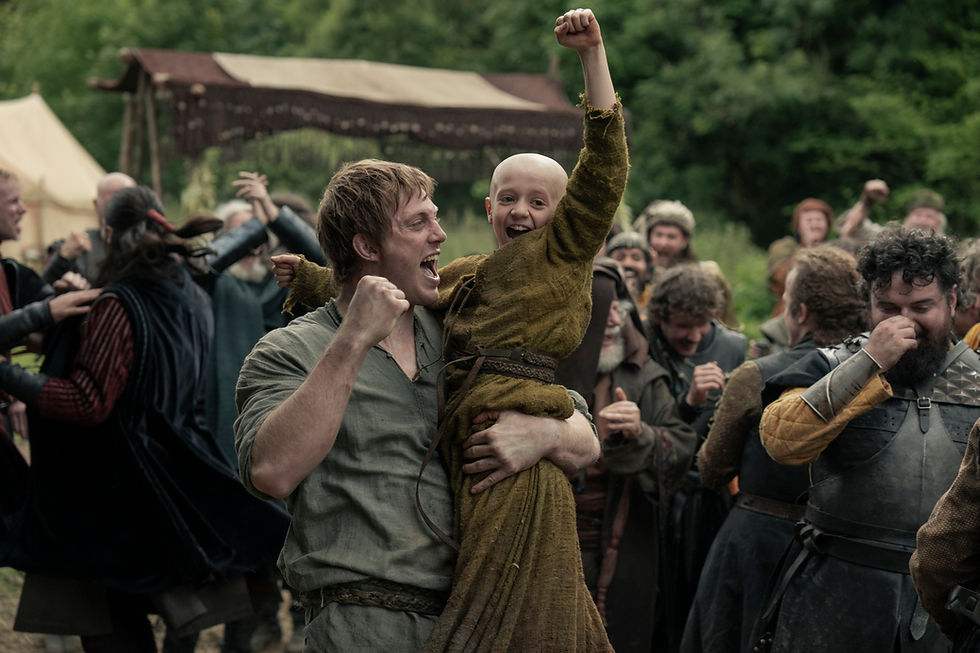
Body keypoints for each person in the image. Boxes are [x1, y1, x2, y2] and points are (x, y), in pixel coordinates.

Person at [245, 10, 626, 650]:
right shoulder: (294, 350)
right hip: (359, 624)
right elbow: (272, 471)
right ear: (367, 245)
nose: (441, 237)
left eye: (540, 202)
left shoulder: (451, 321)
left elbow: (583, 437)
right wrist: (338, 319)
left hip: (470, 603)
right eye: (419, 224)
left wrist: (549, 433)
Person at [0, 185, 290, 652]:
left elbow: (85, 402)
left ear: (109, 234)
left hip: (116, 502)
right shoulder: (189, 294)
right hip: (162, 482)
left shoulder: (121, 303)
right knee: (126, 623)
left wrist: (6, 373)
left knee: (116, 631)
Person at [755, 227, 980, 652]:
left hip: (942, 613)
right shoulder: (830, 365)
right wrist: (869, 363)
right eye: (889, 307)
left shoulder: (979, 381)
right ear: (868, 305)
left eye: (921, 307)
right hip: (833, 591)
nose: (904, 321)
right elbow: (780, 441)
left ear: (951, 301)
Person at [680, 245, 868, 653]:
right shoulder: (881, 378)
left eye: (786, 300)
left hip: (758, 547)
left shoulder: (757, 375)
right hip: (844, 553)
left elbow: (712, 470)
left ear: (800, 312)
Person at [566, 259, 697, 652]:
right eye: (598, 314)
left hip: (622, 546)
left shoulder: (645, 377)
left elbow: (682, 446)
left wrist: (641, 433)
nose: (610, 325)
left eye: (616, 315)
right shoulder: (549, 369)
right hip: (552, 535)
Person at [645, 264, 747, 652]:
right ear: (660, 317)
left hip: (710, 497)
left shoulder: (732, 346)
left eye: (702, 324)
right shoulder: (645, 341)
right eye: (684, 325)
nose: (694, 335)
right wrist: (688, 403)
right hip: (656, 492)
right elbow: (647, 425)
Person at [41, 172, 136, 285]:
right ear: (96, 204)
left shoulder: (150, 249)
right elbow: (41, 291)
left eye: (128, 202)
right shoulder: (75, 249)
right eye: (114, 202)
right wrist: (62, 258)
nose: (122, 210)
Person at [765, 198, 833, 316]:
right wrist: (810, 248)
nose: (814, 225)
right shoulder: (783, 246)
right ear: (798, 225)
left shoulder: (836, 251)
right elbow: (779, 281)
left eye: (819, 220)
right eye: (809, 220)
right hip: (788, 314)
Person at [837, 179, 947, 242]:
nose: (922, 221)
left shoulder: (949, 251)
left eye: (929, 216)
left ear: (939, 222)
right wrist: (866, 203)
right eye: (918, 215)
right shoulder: (890, 239)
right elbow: (850, 228)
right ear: (908, 217)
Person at [606, 230, 653, 316]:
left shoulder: (656, 301)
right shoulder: (598, 299)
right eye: (620, 257)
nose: (628, 263)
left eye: (636, 258)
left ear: (648, 270)